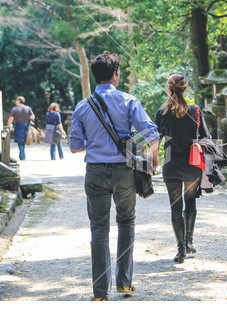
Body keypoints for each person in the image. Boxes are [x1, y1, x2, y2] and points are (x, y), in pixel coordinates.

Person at [69, 52, 159, 301]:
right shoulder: (129, 101)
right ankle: (124, 283)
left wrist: (96, 142)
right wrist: (153, 156)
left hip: (95, 171)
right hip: (124, 171)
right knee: (126, 222)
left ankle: (100, 293)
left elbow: (75, 146)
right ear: (116, 75)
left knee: (98, 228)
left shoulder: (82, 105)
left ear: (96, 76)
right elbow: (151, 133)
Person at [155, 73, 210, 264]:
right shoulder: (195, 111)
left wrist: (152, 161)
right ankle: (189, 241)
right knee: (191, 202)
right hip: (192, 165)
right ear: (185, 88)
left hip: (171, 164)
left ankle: (180, 250)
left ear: (169, 88)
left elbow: (156, 138)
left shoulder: (162, 112)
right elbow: (205, 137)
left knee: (175, 207)